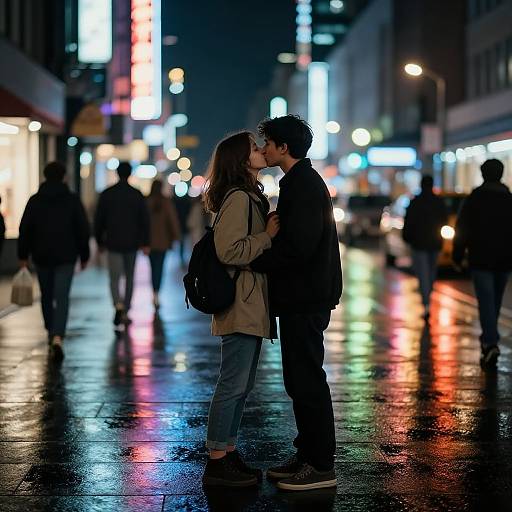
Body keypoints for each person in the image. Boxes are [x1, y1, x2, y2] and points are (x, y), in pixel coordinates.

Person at [250, 114, 342, 491]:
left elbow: (299, 248)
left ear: (283, 147)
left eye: (267, 144)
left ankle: (320, 465)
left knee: (307, 380)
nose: (263, 150)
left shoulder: (301, 185)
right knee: (299, 379)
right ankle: (306, 453)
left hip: (306, 296)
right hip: (302, 295)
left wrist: (257, 257)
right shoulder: (299, 181)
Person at [201, 131, 280, 487]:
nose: (260, 150)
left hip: (250, 303)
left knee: (242, 384)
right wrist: (267, 237)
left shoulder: (249, 196)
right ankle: (217, 460)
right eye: (253, 147)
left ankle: (228, 452)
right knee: (232, 384)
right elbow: (228, 251)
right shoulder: (238, 199)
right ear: (240, 159)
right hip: (239, 302)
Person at [18, 161, 90, 360]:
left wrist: (22, 255)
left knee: (46, 295)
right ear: (64, 177)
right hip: (66, 255)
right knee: (62, 296)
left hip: (41, 255)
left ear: (45, 176)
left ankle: (51, 330)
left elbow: (25, 229)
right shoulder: (72, 200)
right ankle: (58, 335)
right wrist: (84, 255)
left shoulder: (35, 200)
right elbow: (82, 229)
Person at [453, 159, 512, 370]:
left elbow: (462, 229)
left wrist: (458, 256)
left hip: (481, 258)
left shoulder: (475, 198)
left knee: (486, 301)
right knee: (495, 300)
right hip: (505, 259)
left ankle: (490, 341)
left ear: (483, 173)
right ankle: (490, 338)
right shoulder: (509, 199)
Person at [94, 162, 150, 326]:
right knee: (130, 277)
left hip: (113, 242)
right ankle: (126, 309)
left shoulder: (107, 194)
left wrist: (99, 240)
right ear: (130, 174)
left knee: (114, 277)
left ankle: (117, 304)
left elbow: (99, 219)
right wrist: (145, 242)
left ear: (117, 173)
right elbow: (144, 220)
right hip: (132, 242)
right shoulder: (136, 194)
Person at [402, 175, 448, 318]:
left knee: (423, 273)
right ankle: (428, 298)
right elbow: (444, 220)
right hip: (434, 242)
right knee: (431, 272)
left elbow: (408, 221)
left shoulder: (416, 202)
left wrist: (408, 237)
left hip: (419, 243)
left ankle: (426, 302)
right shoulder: (438, 202)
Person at [147, 179, 181, 308]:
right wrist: (176, 237)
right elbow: (172, 221)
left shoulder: (147, 202)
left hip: (149, 242)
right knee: (159, 268)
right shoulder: (166, 202)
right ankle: (156, 294)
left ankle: (154, 291)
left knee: (152, 268)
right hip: (163, 241)